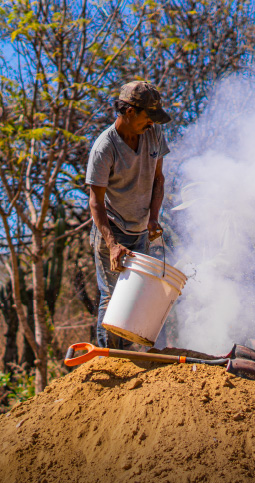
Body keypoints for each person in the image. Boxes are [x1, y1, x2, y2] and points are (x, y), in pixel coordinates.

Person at [86, 81, 171, 349]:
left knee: (136, 296)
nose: (152, 124)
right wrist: (112, 244)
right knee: (112, 295)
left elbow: (158, 179)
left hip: (140, 230)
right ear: (130, 111)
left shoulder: (154, 134)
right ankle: (107, 359)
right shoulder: (104, 148)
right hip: (112, 230)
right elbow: (96, 203)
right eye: (149, 117)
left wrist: (153, 217)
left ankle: (129, 357)